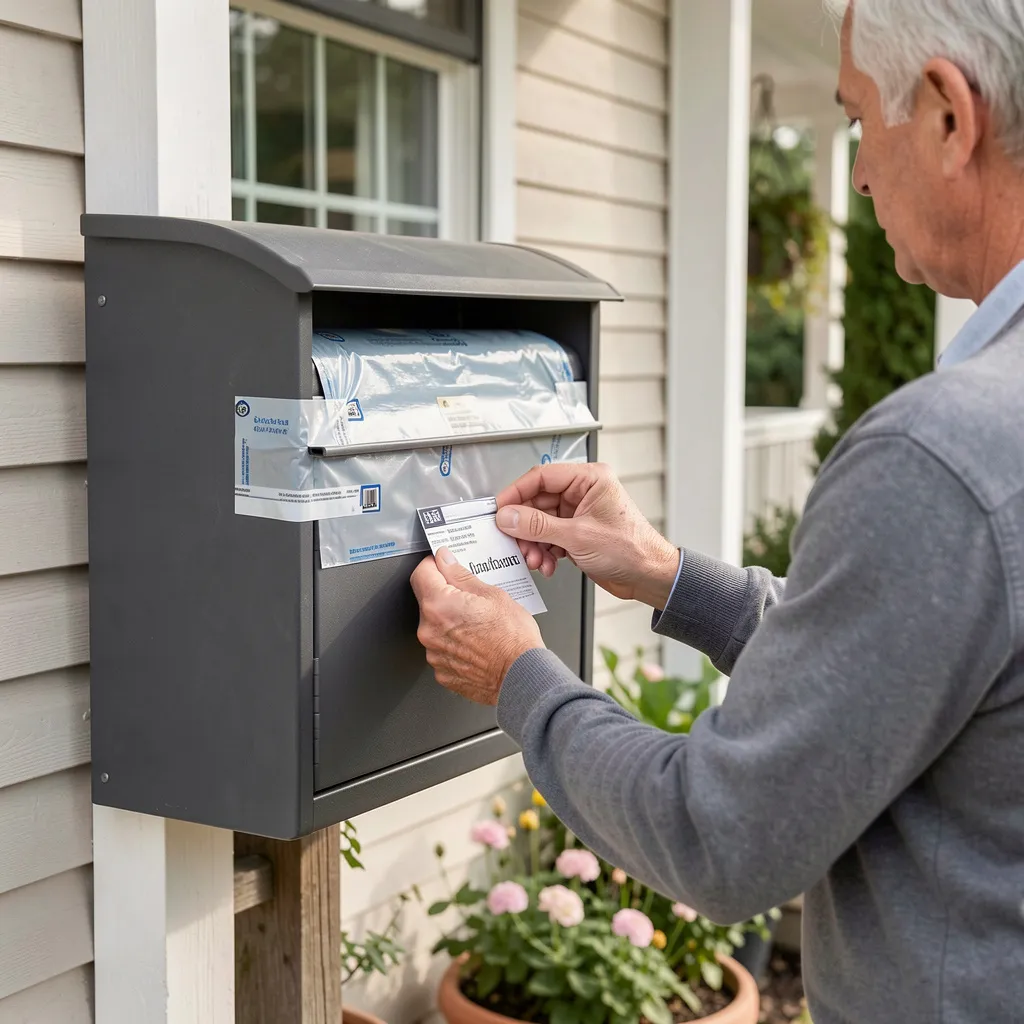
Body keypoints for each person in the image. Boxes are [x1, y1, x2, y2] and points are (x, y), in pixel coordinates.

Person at [410, 1, 1024, 1021]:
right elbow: (906, 670)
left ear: (950, 117)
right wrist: (667, 574)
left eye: (860, 117)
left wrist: (517, 674)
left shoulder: (940, 455)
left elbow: (719, 836)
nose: (860, 170)